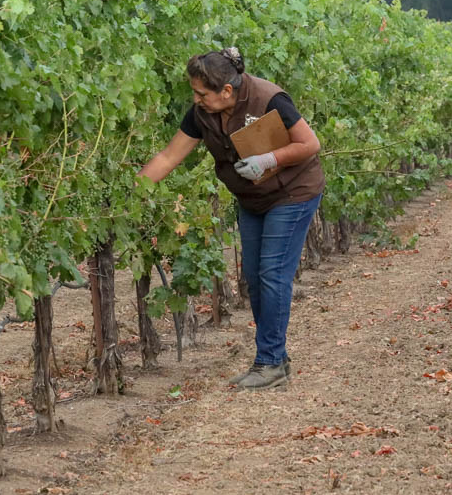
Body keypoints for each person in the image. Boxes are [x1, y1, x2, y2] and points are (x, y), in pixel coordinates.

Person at [138, 47, 324, 391]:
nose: (196, 99)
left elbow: (309, 144)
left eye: (201, 93)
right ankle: (274, 359)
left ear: (227, 90)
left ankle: (269, 362)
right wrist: (132, 192)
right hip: (252, 199)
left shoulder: (269, 99)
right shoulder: (202, 114)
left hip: (292, 193)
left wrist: (268, 159)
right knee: (253, 277)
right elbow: (168, 156)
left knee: (272, 274)